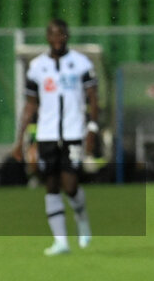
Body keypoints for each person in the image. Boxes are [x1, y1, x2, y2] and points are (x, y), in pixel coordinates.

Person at [13, 19, 97, 256]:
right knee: (50, 184)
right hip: (47, 134)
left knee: (70, 185)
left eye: (61, 34)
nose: (57, 39)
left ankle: (81, 217)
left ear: (67, 36)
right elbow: (30, 105)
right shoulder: (38, 67)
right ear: (47, 37)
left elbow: (93, 98)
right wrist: (19, 140)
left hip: (73, 132)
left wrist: (92, 128)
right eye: (53, 34)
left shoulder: (81, 64)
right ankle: (61, 242)